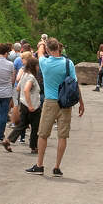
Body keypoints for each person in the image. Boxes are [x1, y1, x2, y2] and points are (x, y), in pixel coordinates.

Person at [27, 37, 85, 177]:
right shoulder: (68, 63)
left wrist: (42, 43)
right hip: (65, 103)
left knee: (43, 134)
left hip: (50, 102)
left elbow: (40, 52)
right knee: (62, 136)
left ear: (48, 49)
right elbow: (75, 84)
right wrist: (81, 102)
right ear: (59, 48)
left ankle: (39, 165)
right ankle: (57, 167)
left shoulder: (45, 63)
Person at [4, 55, 42, 153]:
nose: (38, 68)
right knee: (35, 126)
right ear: (34, 66)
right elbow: (26, 90)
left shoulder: (24, 75)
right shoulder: (31, 77)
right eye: (37, 66)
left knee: (22, 124)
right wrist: (30, 104)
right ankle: (34, 146)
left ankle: (8, 140)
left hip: (23, 103)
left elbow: (18, 88)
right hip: (32, 106)